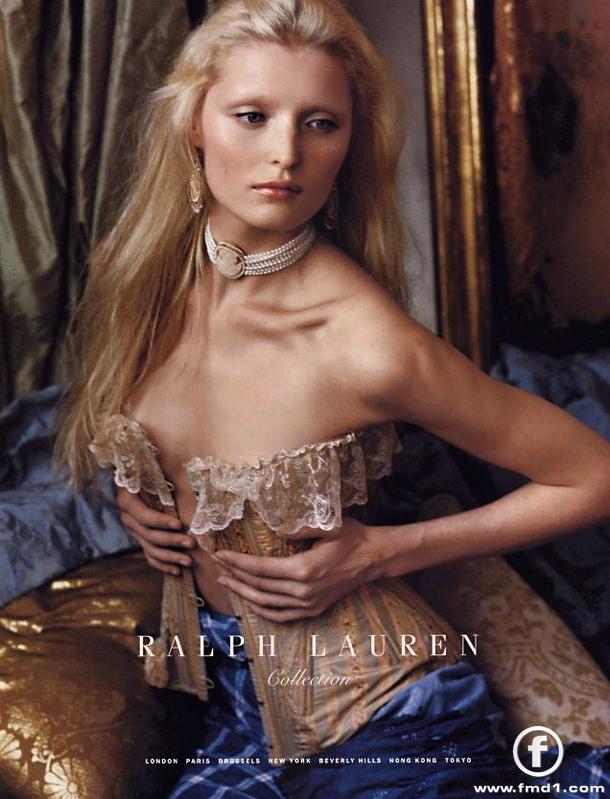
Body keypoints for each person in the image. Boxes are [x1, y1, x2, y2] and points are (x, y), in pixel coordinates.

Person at [56, 0, 610, 796]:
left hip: (386, 722)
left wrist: (381, 551)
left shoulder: (363, 341)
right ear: (194, 123)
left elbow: (591, 473)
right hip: (228, 704)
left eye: (320, 124)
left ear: (349, 145)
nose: (285, 154)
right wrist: (143, 495)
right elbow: (169, 434)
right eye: (253, 116)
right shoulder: (144, 272)